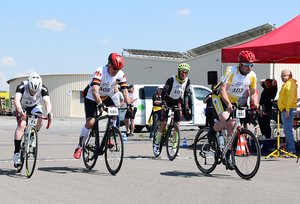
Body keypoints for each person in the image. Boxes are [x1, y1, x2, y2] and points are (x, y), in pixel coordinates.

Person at [73, 52, 130, 159]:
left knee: (114, 112)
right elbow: (94, 90)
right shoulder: (100, 71)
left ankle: (110, 135)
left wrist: (130, 104)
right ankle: (79, 146)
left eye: (118, 70)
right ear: (109, 64)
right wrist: (99, 104)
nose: (115, 72)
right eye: (114, 69)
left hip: (105, 97)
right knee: (90, 122)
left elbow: (125, 91)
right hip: (91, 97)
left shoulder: (120, 74)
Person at [210, 50, 259, 170]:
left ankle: (227, 153)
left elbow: (253, 92)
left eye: (251, 65)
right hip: (219, 97)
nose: (250, 67)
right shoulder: (231, 71)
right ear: (241, 64)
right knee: (225, 118)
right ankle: (212, 131)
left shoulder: (252, 76)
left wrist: (256, 104)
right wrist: (227, 104)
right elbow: (222, 89)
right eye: (247, 65)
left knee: (232, 125)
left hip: (233, 100)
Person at [13, 72, 53, 167]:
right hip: (22, 106)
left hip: (35, 106)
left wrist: (48, 112)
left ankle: (31, 135)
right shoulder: (22, 86)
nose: (34, 93)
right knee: (22, 125)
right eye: (32, 91)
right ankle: (16, 153)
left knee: (40, 118)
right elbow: (16, 100)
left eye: (36, 91)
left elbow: (47, 102)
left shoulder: (43, 88)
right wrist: (20, 111)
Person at [153, 62, 192, 155]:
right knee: (163, 123)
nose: (184, 74)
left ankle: (174, 146)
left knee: (177, 125)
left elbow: (186, 95)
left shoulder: (187, 81)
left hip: (177, 101)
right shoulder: (171, 80)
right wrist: (164, 104)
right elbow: (163, 93)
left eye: (186, 72)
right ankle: (157, 143)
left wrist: (186, 106)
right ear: (179, 72)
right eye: (182, 72)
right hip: (167, 100)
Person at [278, 69, 298, 155]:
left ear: (289, 75)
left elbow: (290, 98)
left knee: (287, 130)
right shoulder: (287, 84)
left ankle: (291, 150)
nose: (282, 77)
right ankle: (289, 149)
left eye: (284, 75)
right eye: (281, 75)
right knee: (287, 130)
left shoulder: (290, 84)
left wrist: (287, 109)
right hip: (286, 109)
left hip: (288, 109)